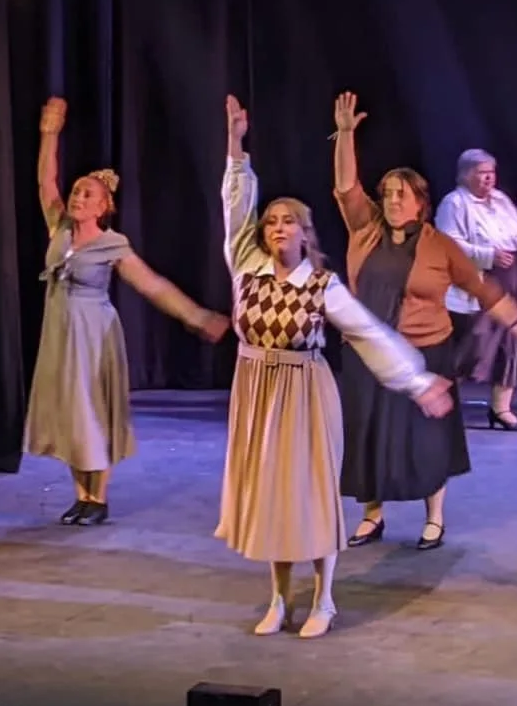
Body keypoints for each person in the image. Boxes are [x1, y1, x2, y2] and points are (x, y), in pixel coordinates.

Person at [218, 95, 452, 637]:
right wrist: (235, 146)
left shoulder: (322, 287)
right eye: (271, 221)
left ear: (306, 234)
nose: (277, 228)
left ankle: (323, 598)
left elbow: (371, 335)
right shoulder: (248, 271)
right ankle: (278, 598)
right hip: (256, 390)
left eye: (289, 222)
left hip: (303, 393)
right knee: (273, 497)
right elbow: (233, 209)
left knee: (309, 494)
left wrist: (417, 382)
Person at [331, 95, 517, 549]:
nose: (390, 200)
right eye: (386, 193)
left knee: (427, 440)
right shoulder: (365, 230)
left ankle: (434, 518)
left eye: (399, 195)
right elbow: (347, 186)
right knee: (368, 434)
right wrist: (346, 133)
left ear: (420, 203)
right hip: (369, 354)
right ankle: (372, 516)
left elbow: (483, 289)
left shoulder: (441, 245)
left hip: (426, 351)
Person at [23, 95, 229, 524]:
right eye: (77, 190)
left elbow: (153, 285)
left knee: (90, 412)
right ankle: (81, 494)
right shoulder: (59, 229)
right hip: (59, 331)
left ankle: (99, 497)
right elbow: (46, 181)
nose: (78, 196)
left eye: (88, 194)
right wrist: (50, 134)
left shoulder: (113, 245)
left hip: (93, 334)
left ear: (104, 207)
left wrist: (198, 317)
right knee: (66, 412)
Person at [434, 148, 517, 430]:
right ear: (466, 175)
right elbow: (447, 245)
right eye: (481, 173)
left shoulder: (501, 201)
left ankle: (501, 408)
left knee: (510, 347)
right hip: (479, 283)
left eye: (491, 173)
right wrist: (488, 254)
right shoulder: (454, 204)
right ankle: (437, 397)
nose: (489, 179)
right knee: (475, 344)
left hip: (510, 279)